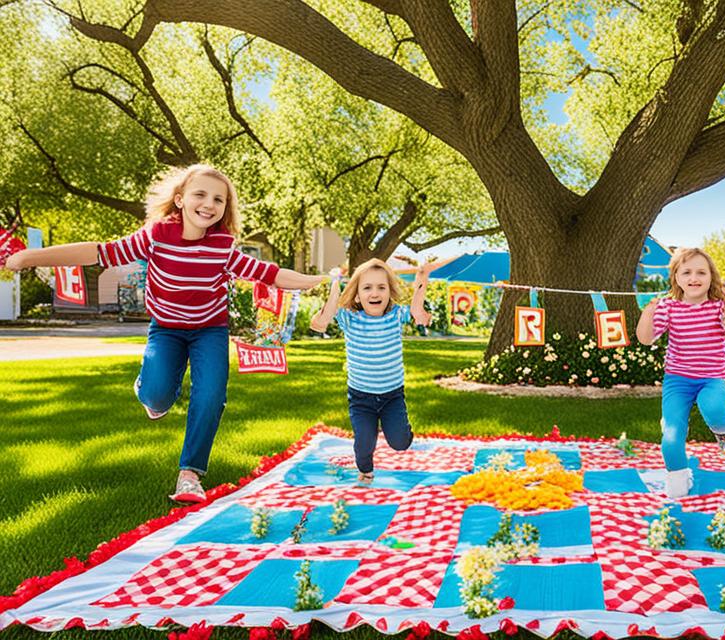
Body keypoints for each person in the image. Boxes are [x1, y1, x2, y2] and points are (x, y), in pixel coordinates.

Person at [5, 164, 324, 502]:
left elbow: (269, 274)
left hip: (210, 330)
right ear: (180, 200)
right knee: (157, 397)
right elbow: (99, 252)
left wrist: (315, 281)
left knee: (211, 394)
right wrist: (31, 257)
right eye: (200, 194)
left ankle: (190, 474)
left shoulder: (223, 247)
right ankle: (149, 389)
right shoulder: (156, 235)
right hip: (167, 330)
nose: (209, 203)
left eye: (219, 199)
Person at [310, 258, 432, 484]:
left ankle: (401, 432)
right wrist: (336, 284)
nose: (374, 293)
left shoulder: (396, 316)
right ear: (356, 295)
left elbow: (418, 312)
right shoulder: (349, 318)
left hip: (392, 396)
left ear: (389, 292)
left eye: (381, 287)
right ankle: (365, 471)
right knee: (364, 443)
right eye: (367, 287)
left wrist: (422, 278)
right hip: (361, 398)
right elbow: (320, 322)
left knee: (400, 443)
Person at [636, 247, 725, 498]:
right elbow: (645, 339)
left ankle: (723, 432)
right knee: (671, 436)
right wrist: (648, 314)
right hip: (678, 380)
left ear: (711, 277)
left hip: (711, 378)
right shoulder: (668, 307)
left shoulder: (717, 305)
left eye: (701, 272)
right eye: (687, 272)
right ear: (676, 277)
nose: (694, 278)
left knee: (716, 411)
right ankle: (678, 481)